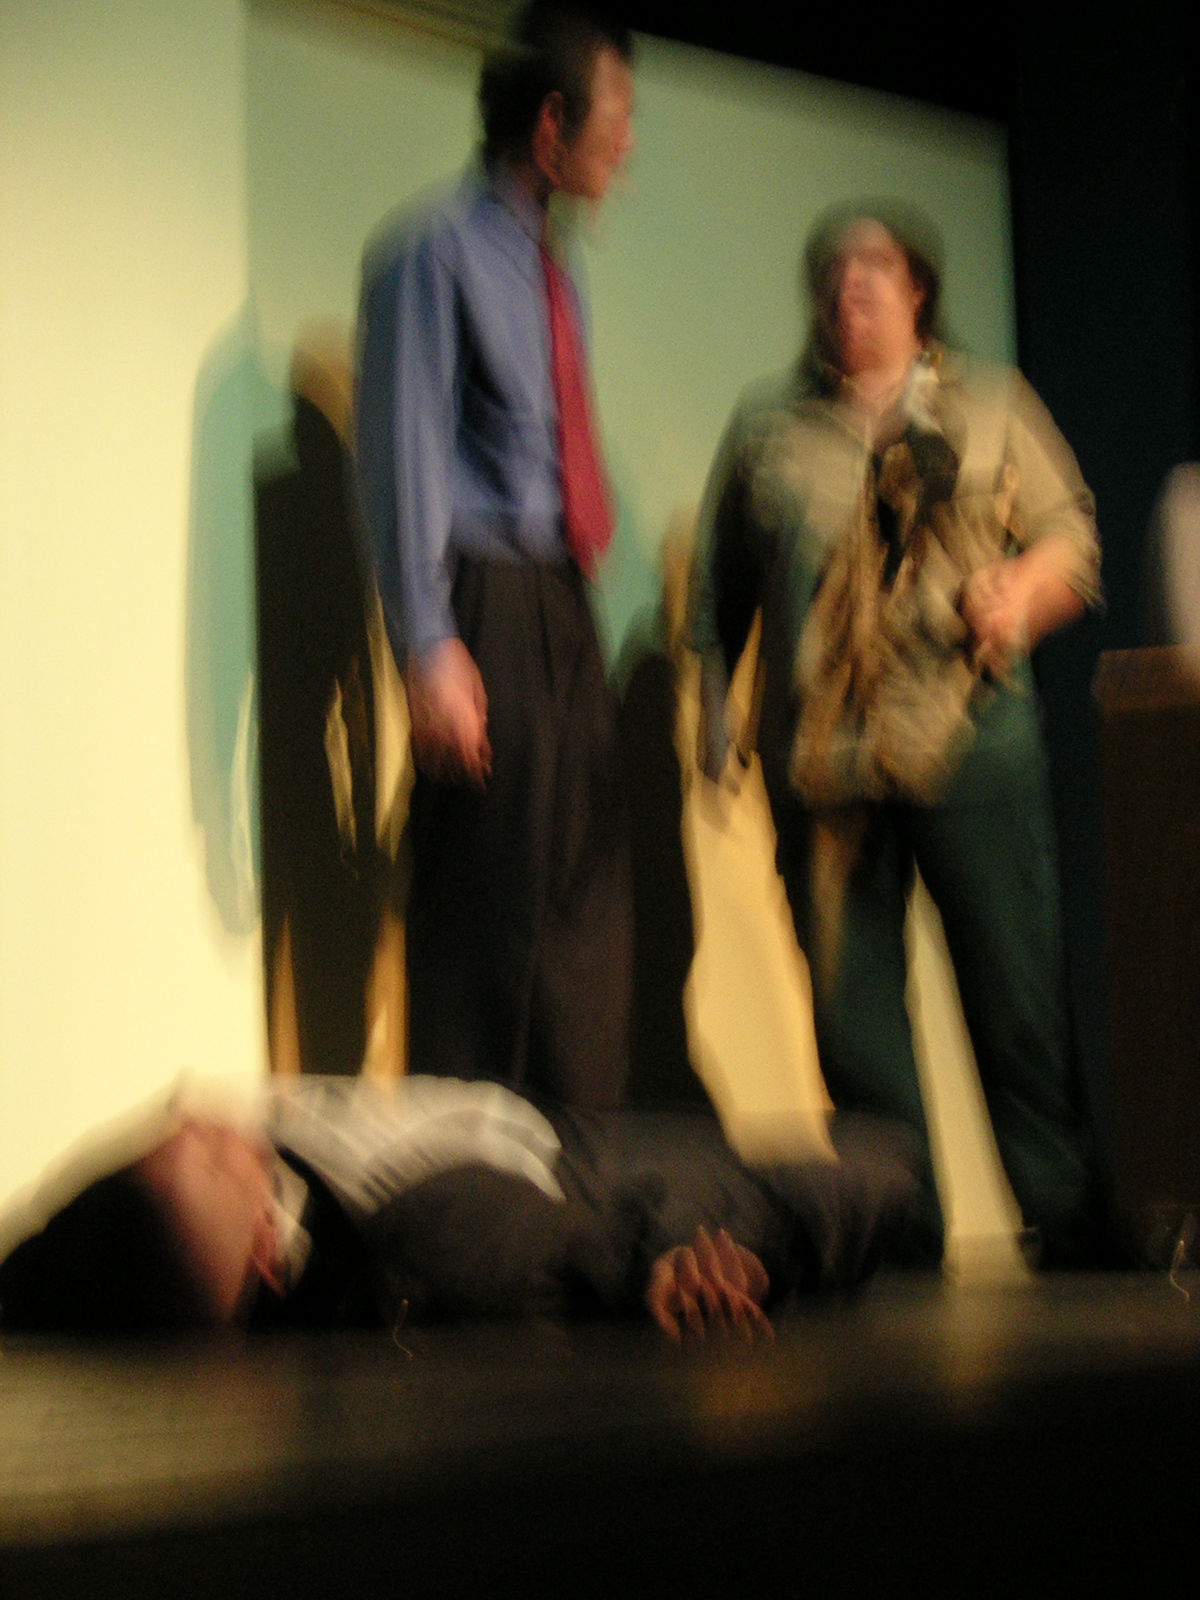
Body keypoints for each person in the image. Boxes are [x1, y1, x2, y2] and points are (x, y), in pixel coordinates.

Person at [690, 202, 1103, 1263]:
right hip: (827, 766)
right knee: (854, 1024)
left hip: (973, 745)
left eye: (874, 266)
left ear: (919, 287)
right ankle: (902, 1242)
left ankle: (1066, 1233)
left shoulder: (992, 402)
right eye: (832, 272)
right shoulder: (769, 425)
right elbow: (716, 590)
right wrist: (714, 707)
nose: (851, 286)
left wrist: (1023, 589)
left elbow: (1072, 536)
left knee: (1017, 1006)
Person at [354, 3, 635, 1110]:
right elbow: (406, 453)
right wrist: (429, 645)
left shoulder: (555, 272)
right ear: (553, 122)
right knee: (484, 918)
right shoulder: (433, 251)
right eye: (617, 118)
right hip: (485, 600)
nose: (627, 148)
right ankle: (469, 1183)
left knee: (582, 914)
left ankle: (573, 1172)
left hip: (562, 601)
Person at [0, 1074, 924, 1340]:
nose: (198, 1119)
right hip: (577, 1173)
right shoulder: (433, 1234)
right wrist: (677, 1264)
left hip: (525, 1138)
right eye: (207, 1153)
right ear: (265, 1254)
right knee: (881, 1170)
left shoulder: (101, 1244)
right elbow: (593, 1245)